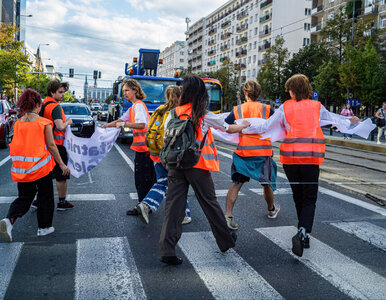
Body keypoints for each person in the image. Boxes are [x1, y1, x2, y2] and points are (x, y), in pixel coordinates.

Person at [245, 74, 359, 257]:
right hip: (311, 159)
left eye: (289, 89)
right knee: (309, 198)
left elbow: (265, 126)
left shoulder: (285, 107)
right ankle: (303, 232)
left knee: (298, 196)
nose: (288, 93)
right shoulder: (316, 106)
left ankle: (302, 232)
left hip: (290, 160)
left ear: (294, 90)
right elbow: (334, 119)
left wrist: (244, 127)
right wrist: (351, 121)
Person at [158, 76, 249, 265]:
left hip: (175, 165)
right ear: (201, 93)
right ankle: (225, 241)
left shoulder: (173, 113)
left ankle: (167, 250)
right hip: (197, 166)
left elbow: (166, 135)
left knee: (173, 207)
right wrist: (244, 125)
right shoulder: (202, 114)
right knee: (210, 204)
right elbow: (228, 129)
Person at [0, 89, 70, 242]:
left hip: (22, 170)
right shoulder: (44, 123)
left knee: (24, 198)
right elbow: (51, 146)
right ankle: (44, 228)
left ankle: (9, 220)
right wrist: (62, 164)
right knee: (46, 197)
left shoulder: (17, 124)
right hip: (41, 168)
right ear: (38, 105)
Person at [224, 80, 280, 231]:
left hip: (243, 152)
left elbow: (226, 125)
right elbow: (275, 125)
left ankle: (228, 215)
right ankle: (271, 210)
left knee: (236, 184)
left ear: (245, 93)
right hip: (263, 152)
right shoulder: (267, 109)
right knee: (266, 183)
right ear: (259, 93)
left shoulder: (238, 110)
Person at [136, 86, 191, 225]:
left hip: (156, 153)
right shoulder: (177, 112)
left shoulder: (159, 109)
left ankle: (184, 213)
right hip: (171, 155)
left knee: (168, 182)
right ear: (180, 96)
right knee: (173, 183)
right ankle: (147, 205)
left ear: (166, 96)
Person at [103, 78, 156, 215]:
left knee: (142, 180)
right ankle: (147, 205)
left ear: (135, 90)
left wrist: (123, 125)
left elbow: (142, 125)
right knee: (148, 179)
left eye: (127, 90)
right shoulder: (134, 107)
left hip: (144, 149)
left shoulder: (138, 106)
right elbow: (122, 120)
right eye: (123, 91)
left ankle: (143, 207)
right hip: (145, 149)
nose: (125, 93)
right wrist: (108, 125)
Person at [34, 80, 73, 211]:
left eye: (64, 92)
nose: (63, 95)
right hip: (57, 145)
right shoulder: (55, 107)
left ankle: (38, 200)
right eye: (60, 92)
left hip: (43, 145)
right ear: (52, 92)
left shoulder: (42, 104)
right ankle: (62, 202)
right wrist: (68, 121)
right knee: (61, 174)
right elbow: (60, 126)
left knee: (44, 174)